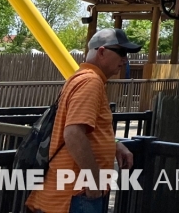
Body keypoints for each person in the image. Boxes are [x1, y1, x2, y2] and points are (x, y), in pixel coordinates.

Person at [26, 29, 140, 213]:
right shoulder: (91, 83)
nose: (125, 59)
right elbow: (73, 133)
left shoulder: (81, 78)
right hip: (77, 193)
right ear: (102, 51)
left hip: (72, 190)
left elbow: (86, 131)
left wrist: (115, 144)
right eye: (121, 52)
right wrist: (93, 181)